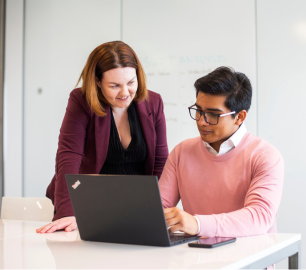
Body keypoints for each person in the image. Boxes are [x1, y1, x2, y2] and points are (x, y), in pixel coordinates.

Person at [36, 41, 169, 234]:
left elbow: (160, 161)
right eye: (114, 85)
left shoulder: (153, 102)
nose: (125, 93)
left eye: (131, 82)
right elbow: (69, 156)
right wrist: (67, 212)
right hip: (90, 202)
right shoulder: (81, 101)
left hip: (138, 205)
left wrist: (159, 209)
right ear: (98, 82)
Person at [159, 66, 284, 237]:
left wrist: (198, 224)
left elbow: (259, 217)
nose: (202, 121)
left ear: (239, 117)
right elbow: (160, 208)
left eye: (213, 115)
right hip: (196, 259)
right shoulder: (182, 152)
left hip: (250, 260)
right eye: (199, 111)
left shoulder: (265, 156)